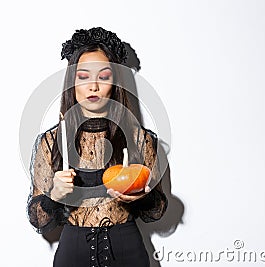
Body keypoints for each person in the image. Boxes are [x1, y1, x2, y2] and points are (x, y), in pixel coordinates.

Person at [26, 27, 169, 267]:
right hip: (73, 253)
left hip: (127, 251)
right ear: (73, 81)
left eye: (103, 77)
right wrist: (55, 196)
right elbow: (37, 218)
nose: (93, 86)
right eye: (83, 77)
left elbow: (158, 209)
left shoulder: (138, 139)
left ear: (115, 82)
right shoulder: (51, 141)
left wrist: (141, 196)